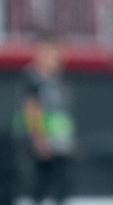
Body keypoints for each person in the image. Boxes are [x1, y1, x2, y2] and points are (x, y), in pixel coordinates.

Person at [16, 39, 75, 204]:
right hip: (42, 142)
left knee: (62, 187)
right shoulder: (33, 79)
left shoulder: (60, 80)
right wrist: (39, 139)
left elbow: (62, 114)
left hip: (60, 142)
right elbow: (32, 110)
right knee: (41, 184)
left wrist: (69, 140)